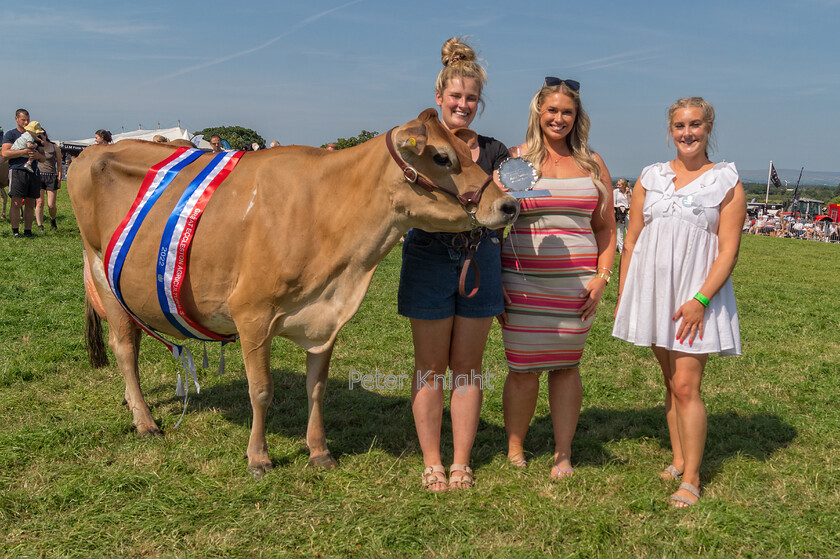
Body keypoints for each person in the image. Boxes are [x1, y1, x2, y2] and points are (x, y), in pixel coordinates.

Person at [613, 97, 746, 508]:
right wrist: (625, 293)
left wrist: (701, 299)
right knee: (670, 382)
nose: (686, 133)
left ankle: (691, 477)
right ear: (670, 130)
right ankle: (677, 457)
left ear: (708, 127)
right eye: (679, 126)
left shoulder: (726, 181)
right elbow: (631, 239)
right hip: (653, 294)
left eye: (695, 125)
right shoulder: (650, 177)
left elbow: (728, 250)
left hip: (695, 298)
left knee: (687, 385)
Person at [398, 37, 509, 492]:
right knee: (429, 365)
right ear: (439, 99)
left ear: (479, 104)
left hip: (480, 256)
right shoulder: (420, 144)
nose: (463, 104)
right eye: (456, 97)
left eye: (471, 98)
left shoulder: (497, 151)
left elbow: (505, 203)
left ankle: (461, 460)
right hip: (428, 254)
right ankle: (431, 461)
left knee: (468, 365)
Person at [500, 77, 615, 479]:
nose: (559, 118)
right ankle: (515, 446)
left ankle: (562, 453)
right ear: (538, 112)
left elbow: (606, 229)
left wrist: (602, 277)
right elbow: (495, 221)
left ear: (577, 117)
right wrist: (497, 279)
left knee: (567, 366)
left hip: (577, 287)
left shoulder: (592, 163)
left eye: (567, 112)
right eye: (552, 110)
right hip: (522, 285)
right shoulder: (514, 161)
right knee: (522, 367)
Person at [2, 109, 45, 237]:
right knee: (15, 202)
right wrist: (24, 152)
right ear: (16, 119)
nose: (26, 122)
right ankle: (15, 231)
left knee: (31, 203)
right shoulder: (10, 134)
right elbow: (5, 153)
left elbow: (43, 157)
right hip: (17, 170)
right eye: (23, 120)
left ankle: (28, 231)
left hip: (33, 171)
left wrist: (37, 155)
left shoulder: (36, 135)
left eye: (27, 120)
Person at [35, 129, 62, 232]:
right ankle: (40, 225)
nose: (40, 139)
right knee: (39, 203)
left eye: (41, 136)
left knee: (51, 204)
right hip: (39, 176)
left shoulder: (54, 147)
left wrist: (59, 178)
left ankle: (53, 219)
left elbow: (59, 164)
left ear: (45, 135)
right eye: (38, 137)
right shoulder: (35, 147)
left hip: (51, 176)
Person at [614, 178, 631, 252]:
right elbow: (613, 203)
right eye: (617, 184)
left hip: (627, 212)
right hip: (619, 212)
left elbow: (630, 202)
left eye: (619, 185)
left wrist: (627, 193)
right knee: (620, 232)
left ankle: (629, 249)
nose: (617, 186)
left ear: (624, 185)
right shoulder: (615, 192)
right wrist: (618, 209)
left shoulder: (629, 191)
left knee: (629, 231)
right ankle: (621, 251)